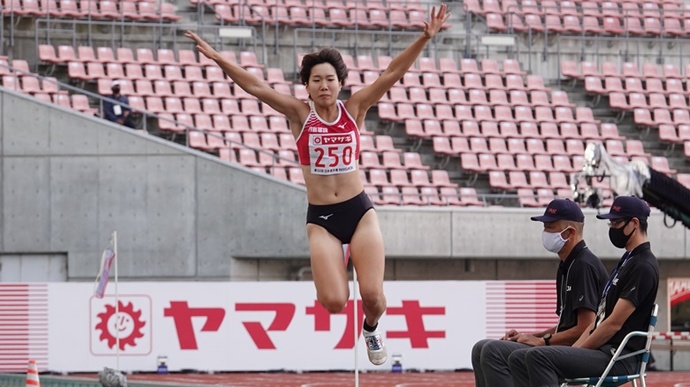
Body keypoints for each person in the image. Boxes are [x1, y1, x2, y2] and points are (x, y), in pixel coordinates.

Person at [185, 4, 450, 366]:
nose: (324, 85)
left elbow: (393, 72)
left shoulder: (355, 108)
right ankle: (345, 292)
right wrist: (217, 57)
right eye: (316, 80)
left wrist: (424, 37)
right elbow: (254, 86)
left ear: (340, 82)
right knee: (334, 302)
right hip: (322, 218)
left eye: (329, 79)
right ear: (306, 86)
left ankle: (371, 328)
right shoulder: (298, 114)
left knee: (372, 295)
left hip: (359, 211)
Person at [508, 195, 659, 387]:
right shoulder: (627, 262)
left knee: (538, 357)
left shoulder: (643, 266)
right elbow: (599, 321)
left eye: (616, 222)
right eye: (610, 223)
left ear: (634, 223)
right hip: (602, 352)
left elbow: (613, 324)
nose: (612, 228)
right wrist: (573, 349)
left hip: (617, 357)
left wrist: (578, 351)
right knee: (519, 358)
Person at [471, 199, 608, 387]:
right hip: (562, 347)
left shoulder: (583, 265)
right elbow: (565, 327)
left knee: (493, 351)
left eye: (551, 227)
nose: (545, 233)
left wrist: (542, 341)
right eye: (544, 227)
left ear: (570, 232)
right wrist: (529, 336)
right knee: (480, 348)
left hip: (582, 353)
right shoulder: (567, 265)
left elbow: (585, 327)